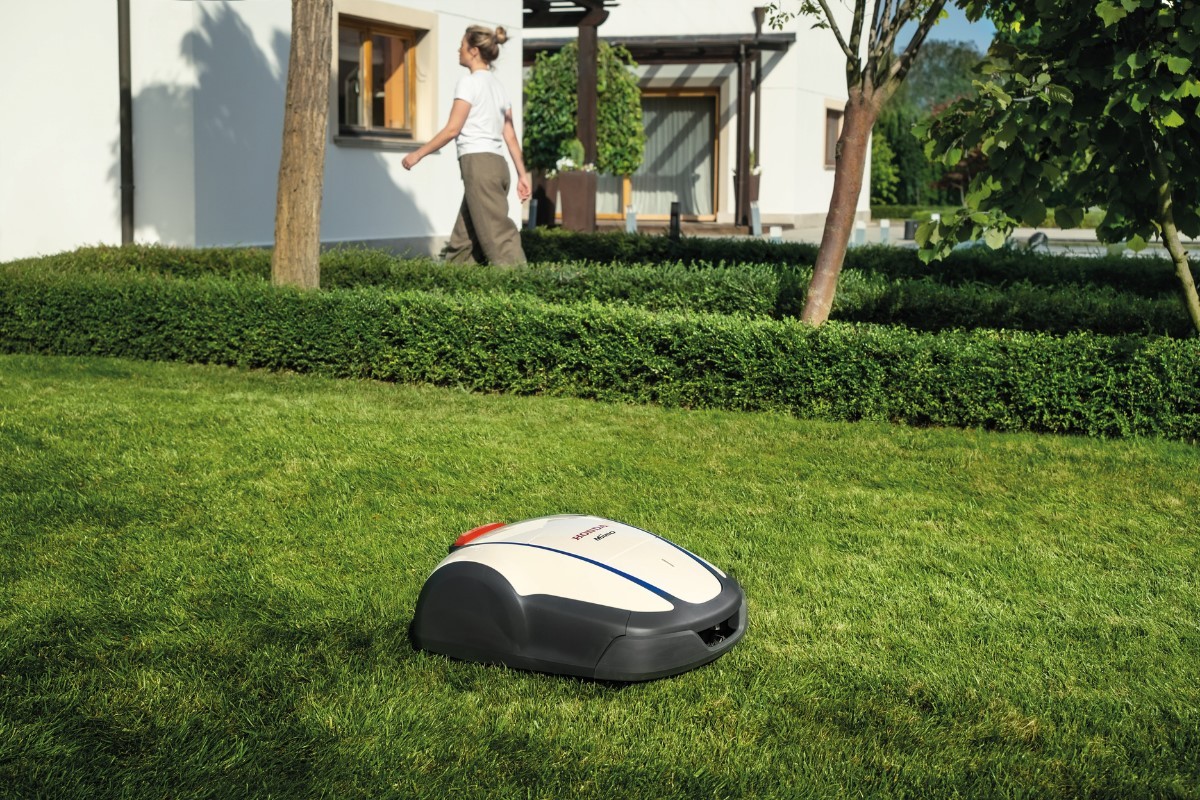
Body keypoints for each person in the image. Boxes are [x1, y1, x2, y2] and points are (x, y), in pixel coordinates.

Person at [402, 25, 531, 265]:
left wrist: (418, 154)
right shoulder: (499, 87)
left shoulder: (469, 83)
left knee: (499, 240)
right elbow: (510, 136)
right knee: (464, 242)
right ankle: (455, 281)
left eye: (462, 45)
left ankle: (526, 284)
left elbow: (453, 129)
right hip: (497, 166)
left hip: (479, 166)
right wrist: (522, 175)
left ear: (473, 51)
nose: (458, 50)